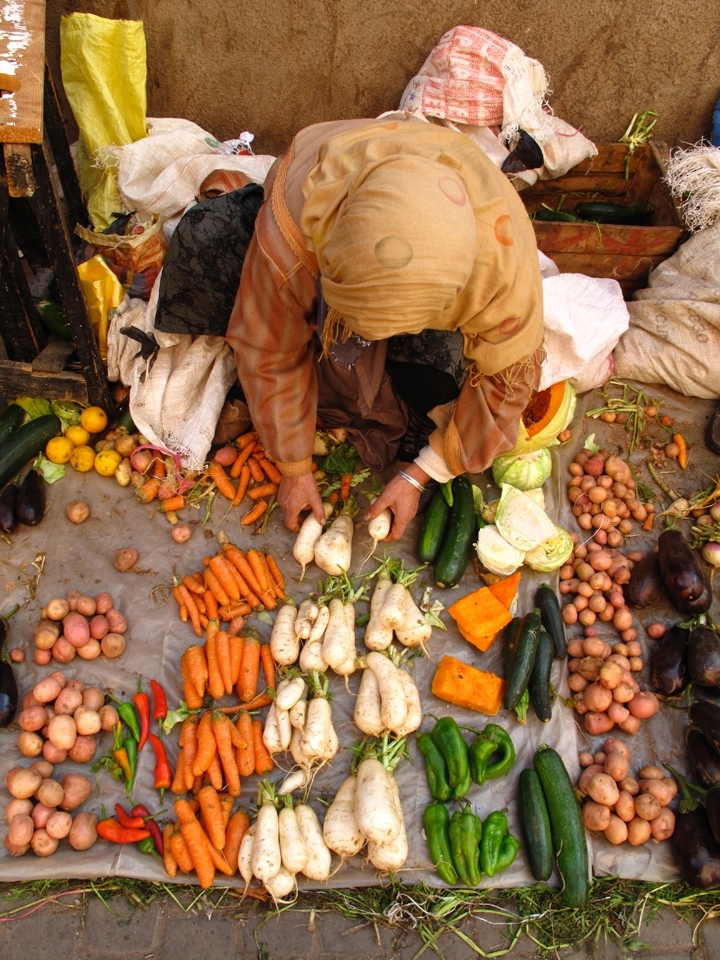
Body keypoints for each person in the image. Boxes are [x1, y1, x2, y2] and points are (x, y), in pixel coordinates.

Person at [225, 113, 545, 541]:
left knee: (437, 377)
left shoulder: (503, 268)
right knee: (213, 253)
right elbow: (268, 349)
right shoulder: (294, 231)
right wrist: (294, 467)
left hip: (454, 220)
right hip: (326, 178)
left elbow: (505, 388)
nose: (367, 342)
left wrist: (420, 474)